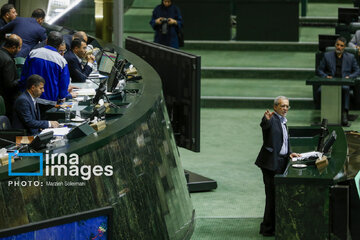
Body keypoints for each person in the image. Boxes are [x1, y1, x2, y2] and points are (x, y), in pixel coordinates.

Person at [255, 96, 300, 237]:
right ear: (275, 107)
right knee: (272, 196)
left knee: (277, 196)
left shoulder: (283, 121)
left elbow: (284, 141)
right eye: (282, 106)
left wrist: (290, 153)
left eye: (287, 106)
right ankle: (267, 229)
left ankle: (274, 225)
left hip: (281, 161)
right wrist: (265, 119)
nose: (285, 108)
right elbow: (265, 125)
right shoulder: (272, 119)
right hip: (270, 164)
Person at [19, 31, 76, 106]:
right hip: (49, 101)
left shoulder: (33, 53)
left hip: (30, 97)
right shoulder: (61, 61)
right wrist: (62, 97)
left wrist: (23, 92)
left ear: (46, 41)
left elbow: (24, 75)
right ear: (59, 45)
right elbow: (63, 84)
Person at [316, 37, 360, 125]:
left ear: (344, 47)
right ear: (335, 45)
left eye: (341, 46)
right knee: (320, 90)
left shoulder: (350, 57)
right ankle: (326, 114)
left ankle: (344, 113)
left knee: (345, 89)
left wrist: (350, 77)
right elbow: (319, 70)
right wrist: (325, 76)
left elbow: (357, 70)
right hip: (331, 81)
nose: (339, 47)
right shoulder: (327, 55)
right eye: (337, 45)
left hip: (344, 81)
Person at [0, 34, 22, 120]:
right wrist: (22, 79)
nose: (20, 50)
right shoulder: (8, 61)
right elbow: (9, 85)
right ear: (13, 47)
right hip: (6, 101)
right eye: (19, 47)